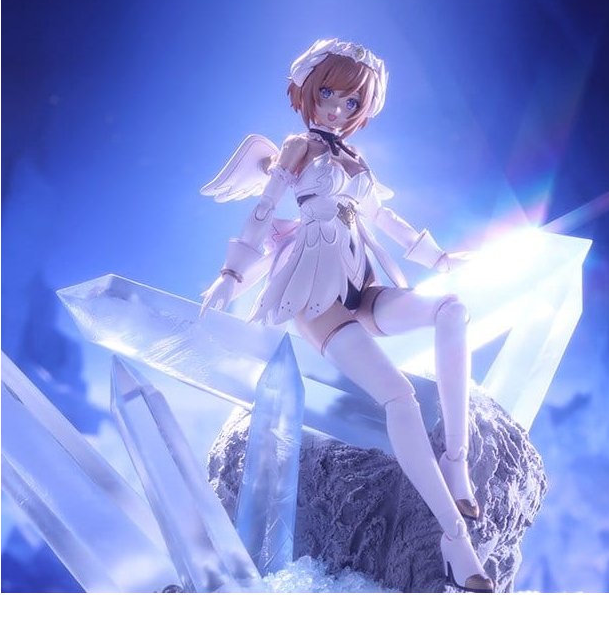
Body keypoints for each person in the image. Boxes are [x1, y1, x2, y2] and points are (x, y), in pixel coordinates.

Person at [199, 38, 494, 592]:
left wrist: (441, 259)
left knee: (452, 311)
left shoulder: (356, 160)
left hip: (364, 282)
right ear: (307, 92)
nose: (336, 107)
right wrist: (232, 274)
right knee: (399, 396)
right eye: (327, 94)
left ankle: (456, 463)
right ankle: (455, 540)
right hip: (314, 292)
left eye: (351, 100)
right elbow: (262, 211)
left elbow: (387, 220)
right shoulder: (298, 148)